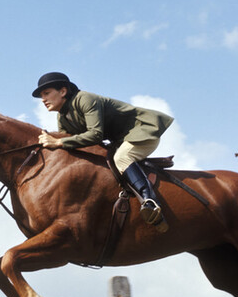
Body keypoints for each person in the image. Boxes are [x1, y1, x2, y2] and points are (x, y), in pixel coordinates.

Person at [32, 71, 173, 226]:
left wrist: (58, 143)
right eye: (41, 96)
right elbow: (71, 143)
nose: (43, 100)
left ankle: (150, 201)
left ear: (63, 91)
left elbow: (95, 135)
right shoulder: (63, 116)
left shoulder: (85, 99)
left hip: (142, 131)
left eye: (46, 93)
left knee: (121, 158)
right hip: (119, 141)